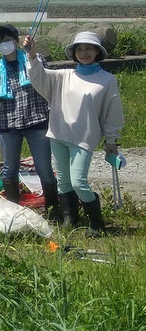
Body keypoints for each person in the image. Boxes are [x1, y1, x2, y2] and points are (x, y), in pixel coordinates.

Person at [25, 31, 124, 234]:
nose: (84, 53)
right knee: (63, 180)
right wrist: (32, 55)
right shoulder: (63, 75)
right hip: (58, 134)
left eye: (88, 48)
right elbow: (37, 76)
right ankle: (70, 219)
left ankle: (97, 223)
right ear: (74, 53)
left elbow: (113, 112)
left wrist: (111, 139)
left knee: (79, 182)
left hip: (84, 138)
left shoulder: (107, 80)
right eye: (79, 49)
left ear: (97, 51)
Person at [0, 23, 59, 220]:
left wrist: (32, 53)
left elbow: (45, 79)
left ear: (16, 41)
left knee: (45, 171)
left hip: (38, 121)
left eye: (7, 40)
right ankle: (14, 213)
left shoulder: (34, 60)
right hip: (9, 126)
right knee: (8, 172)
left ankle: (54, 212)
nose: (4, 44)